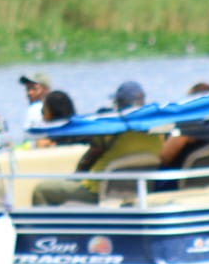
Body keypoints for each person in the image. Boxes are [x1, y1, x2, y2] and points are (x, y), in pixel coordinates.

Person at [32, 80, 163, 206]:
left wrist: (74, 178)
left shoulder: (111, 132)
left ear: (119, 104)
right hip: (136, 193)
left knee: (41, 190)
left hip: (96, 191)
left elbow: (88, 160)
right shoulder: (156, 134)